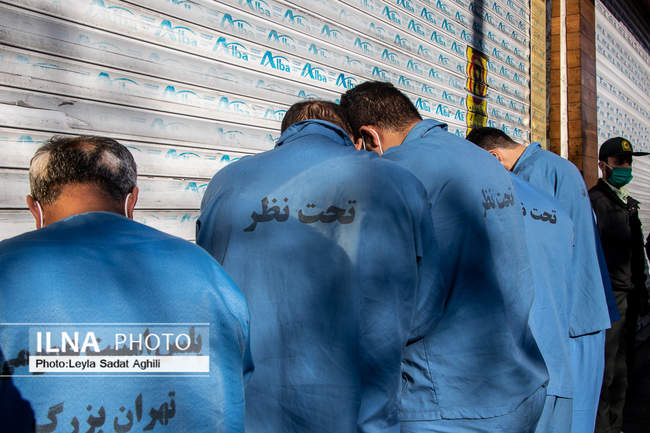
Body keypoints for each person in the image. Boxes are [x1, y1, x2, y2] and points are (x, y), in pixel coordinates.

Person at [197, 100, 447, 433]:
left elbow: (208, 284)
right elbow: (427, 307)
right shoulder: (399, 182)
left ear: (283, 136)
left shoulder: (225, 182)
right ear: (352, 138)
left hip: (248, 413)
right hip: (360, 415)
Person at [0, 136, 252, 432]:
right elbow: (236, 377)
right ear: (131, 200)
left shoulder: (7, 267)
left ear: (34, 208)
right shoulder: (207, 272)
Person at [340, 82, 547, 432]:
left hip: (449, 402)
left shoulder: (397, 172)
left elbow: (383, 298)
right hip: (518, 385)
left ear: (369, 137)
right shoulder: (483, 159)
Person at [466, 126, 613, 433]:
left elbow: (533, 256)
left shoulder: (530, 176)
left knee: (558, 414)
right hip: (584, 314)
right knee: (578, 414)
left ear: (493, 157)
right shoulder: (557, 167)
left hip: (567, 320)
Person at [590, 137, 649, 433]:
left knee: (624, 368)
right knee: (606, 370)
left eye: (628, 162)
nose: (626, 167)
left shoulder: (628, 203)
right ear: (603, 166)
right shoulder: (595, 202)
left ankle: (617, 424)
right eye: (619, 162)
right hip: (609, 298)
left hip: (630, 297)